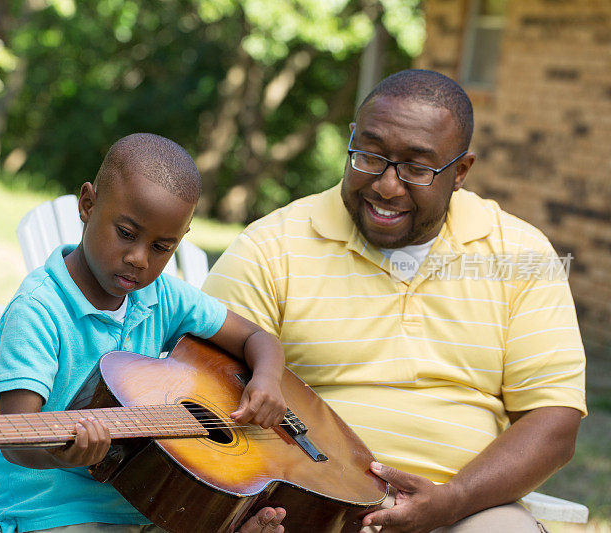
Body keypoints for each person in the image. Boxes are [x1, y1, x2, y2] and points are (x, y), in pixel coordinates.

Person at [203, 70, 586, 532]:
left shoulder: (520, 254)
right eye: (369, 156)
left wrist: (451, 502)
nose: (386, 186)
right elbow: (201, 385)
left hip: (465, 510)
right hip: (296, 508)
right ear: (350, 140)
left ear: (460, 171)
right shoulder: (271, 246)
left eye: (417, 169)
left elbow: (555, 420)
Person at [0, 133, 288, 533]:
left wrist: (266, 380)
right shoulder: (39, 310)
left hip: (143, 506)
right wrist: (62, 454)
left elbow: (257, 339)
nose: (139, 259)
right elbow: (14, 438)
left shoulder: (160, 296)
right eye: (126, 234)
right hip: (46, 510)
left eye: (162, 247)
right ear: (88, 204)